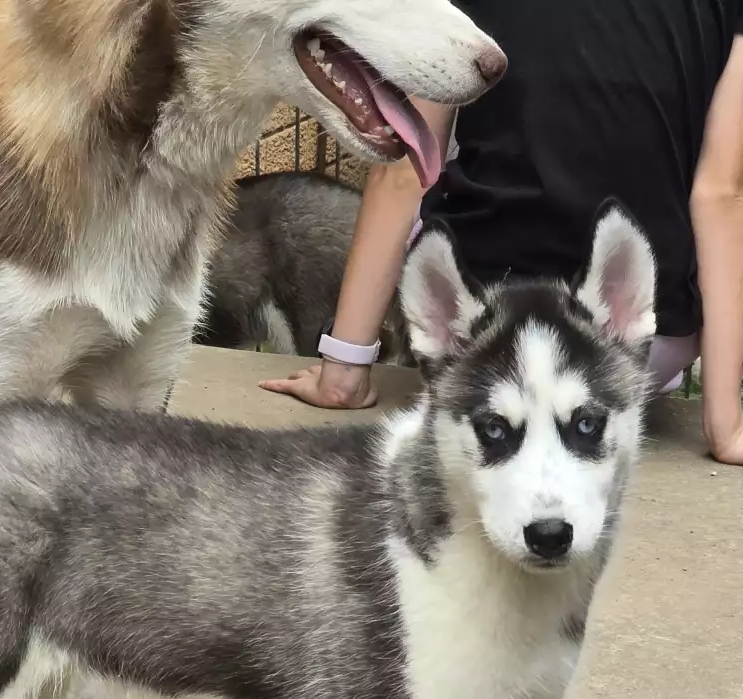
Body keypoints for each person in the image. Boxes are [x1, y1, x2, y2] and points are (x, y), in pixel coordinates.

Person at [261, 0, 743, 467]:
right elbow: (720, 194)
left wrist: (344, 369)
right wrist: (726, 425)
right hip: (632, 345)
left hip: (477, 333)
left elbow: (407, 172)